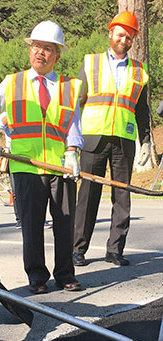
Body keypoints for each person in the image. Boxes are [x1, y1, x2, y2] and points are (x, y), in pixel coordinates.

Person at [0, 20, 83, 293]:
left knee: (65, 224)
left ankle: (64, 273)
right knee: (32, 225)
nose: (40, 52)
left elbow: (73, 125)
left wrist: (72, 153)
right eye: (36, 46)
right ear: (29, 50)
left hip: (59, 166)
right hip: (25, 166)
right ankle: (36, 276)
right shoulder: (12, 83)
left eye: (48, 48)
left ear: (57, 55)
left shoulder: (68, 86)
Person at [73, 11, 151, 267]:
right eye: (120, 34)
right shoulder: (91, 63)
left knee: (122, 196)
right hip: (93, 138)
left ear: (133, 40)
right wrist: (71, 138)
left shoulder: (139, 71)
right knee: (88, 194)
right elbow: (77, 102)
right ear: (110, 34)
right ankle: (78, 249)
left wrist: (147, 140)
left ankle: (114, 250)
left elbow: (142, 109)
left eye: (129, 36)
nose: (124, 39)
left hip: (124, 140)